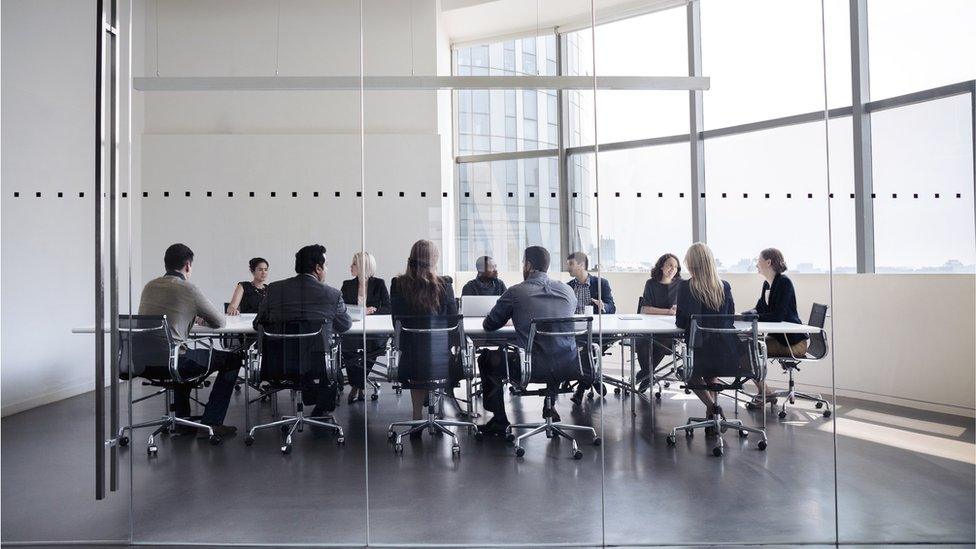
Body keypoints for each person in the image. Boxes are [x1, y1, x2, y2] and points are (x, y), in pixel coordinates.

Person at [137, 243, 243, 437]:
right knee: (232, 359)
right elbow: (219, 321)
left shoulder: (149, 286)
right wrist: (198, 315)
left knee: (180, 355)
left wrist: (191, 315)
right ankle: (212, 423)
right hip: (175, 361)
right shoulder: (188, 288)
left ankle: (183, 420)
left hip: (144, 360)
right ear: (187, 265)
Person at [479, 246, 578, 435]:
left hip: (531, 367)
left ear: (529, 265)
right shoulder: (567, 291)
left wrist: (514, 316)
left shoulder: (516, 292)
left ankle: (500, 420)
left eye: (523, 263)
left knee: (486, 358)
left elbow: (490, 324)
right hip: (568, 364)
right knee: (554, 348)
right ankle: (550, 404)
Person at [253, 244, 352, 418]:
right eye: (326, 265)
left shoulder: (275, 289)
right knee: (328, 353)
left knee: (305, 354)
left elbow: (257, 323)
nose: (326, 269)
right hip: (318, 366)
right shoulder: (331, 294)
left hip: (279, 363)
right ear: (318, 268)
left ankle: (313, 402)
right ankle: (321, 410)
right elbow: (345, 325)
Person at [389, 240, 457, 428]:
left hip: (410, 357)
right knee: (432, 357)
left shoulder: (398, 284)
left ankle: (416, 414)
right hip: (441, 358)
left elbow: (396, 322)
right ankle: (436, 411)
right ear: (434, 259)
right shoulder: (445, 284)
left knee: (418, 360)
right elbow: (453, 321)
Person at [675, 242, 736, 424]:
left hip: (699, 350)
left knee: (689, 372)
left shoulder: (686, 287)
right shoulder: (724, 286)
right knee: (711, 370)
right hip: (726, 352)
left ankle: (711, 407)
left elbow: (681, 322)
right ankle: (713, 418)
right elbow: (730, 318)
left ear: (691, 263)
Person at [746, 247, 808, 404]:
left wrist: (753, 317)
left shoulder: (784, 283)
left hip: (793, 343)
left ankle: (765, 393)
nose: (756, 264)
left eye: (758, 261)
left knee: (749, 351)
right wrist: (742, 315)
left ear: (768, 262)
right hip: (780, 340)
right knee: (745, 347)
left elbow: (777, 316)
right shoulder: (767, 285)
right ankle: (765, 392)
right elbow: (759, 309)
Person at [340, 251, 390, 404]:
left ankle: (356, 386)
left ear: (363, 266)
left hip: (373, 330)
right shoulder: (347, 285)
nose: (351, 266)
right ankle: (359, 385)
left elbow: (388, 307)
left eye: (354, 264)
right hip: (353, 328)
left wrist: (373, 310)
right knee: (348, 347)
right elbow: (341, 308)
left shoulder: (379, 284)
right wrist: (358, 311)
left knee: (371, 346)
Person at [565, 251, 615, 402]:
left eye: (571, 264)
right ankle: (593, 379)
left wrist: (603, 305)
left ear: (581, 265)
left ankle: (581, 389)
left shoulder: (601, 283)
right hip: (575, 330)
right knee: (586, 350)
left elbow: (612, 308)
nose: (568, 268)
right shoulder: (568, 287)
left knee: (588, 349)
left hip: (597, 330)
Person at [634, 253, 682, 392]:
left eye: (676, 267)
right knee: (642, 342)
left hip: (670, 328)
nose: (673, 269)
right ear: (661, 266)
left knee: (664, 341)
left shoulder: (681, 284)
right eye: (670, 265)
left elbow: (685, 306)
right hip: (649, 326)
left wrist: (678, 308)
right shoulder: (651, 283)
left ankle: (644, 375)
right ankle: (647, 376)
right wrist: (668, 311)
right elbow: (646, 309)